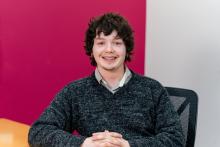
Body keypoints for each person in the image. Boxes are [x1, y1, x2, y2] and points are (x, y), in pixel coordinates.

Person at [28, 12, 184, 147]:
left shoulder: (153, 89)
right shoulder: (74, 92)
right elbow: (39, 131)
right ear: (92, 50)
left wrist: (129, 145)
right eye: (101, 43)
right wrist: (83, 143)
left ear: (126, 49)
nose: (109, 49)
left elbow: (176, 138)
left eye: (117, 43)